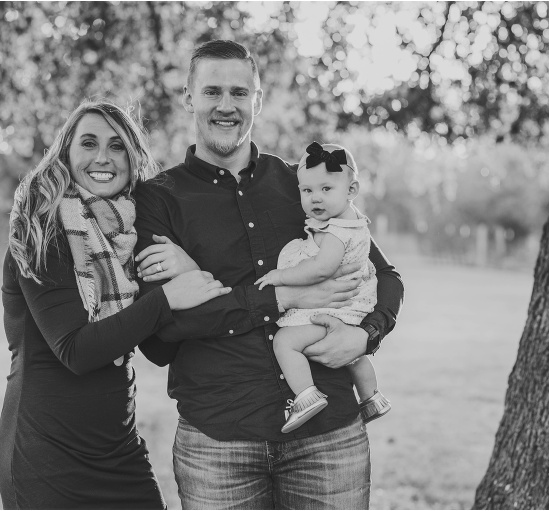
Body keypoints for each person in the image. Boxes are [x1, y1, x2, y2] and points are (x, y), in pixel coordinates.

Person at [133, 40, 404, 509]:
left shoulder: (303, 184)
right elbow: (160, 336)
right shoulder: (159, 201)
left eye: (240, 93)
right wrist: (282, 300)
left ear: (257, 100)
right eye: (212, 91)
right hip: (219, 444)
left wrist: (366, 336)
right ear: (189, 97)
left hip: (330, 438)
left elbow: (385, 276)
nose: (226, 105)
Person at [0, 98, 231, 510]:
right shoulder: (43, 228)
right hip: (47, 456)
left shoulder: (126, 236)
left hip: (117, 449)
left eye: (117, 145)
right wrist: (168, 298)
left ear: (132, 157)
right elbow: (76, 350)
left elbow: (158, 349)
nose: (103, 157)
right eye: (88, 143)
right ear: (66, 154)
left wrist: (183, 272)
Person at [255, 141, 391, 434]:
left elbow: (321, 269)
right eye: (307, 191)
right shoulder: (351, 220)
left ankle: (306, 396)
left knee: (285, 342)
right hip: (354, 307)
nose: (315, 198)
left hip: (336, 308)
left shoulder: (337, 232)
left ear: (351, 190)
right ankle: (371, 398)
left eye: (326, 189)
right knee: (355, 355)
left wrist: (280, 276)